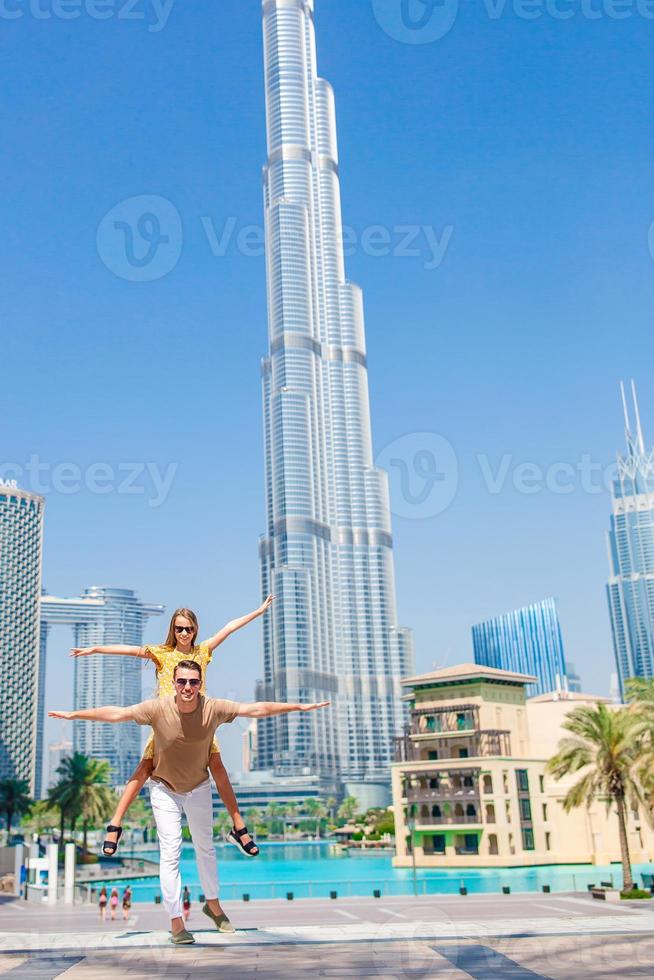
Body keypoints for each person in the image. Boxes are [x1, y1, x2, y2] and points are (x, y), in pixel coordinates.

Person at [49, 660, 329, 945]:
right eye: (182, 681)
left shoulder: (213, 708)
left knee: (205, 849)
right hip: (164, 788)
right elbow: (117, 714)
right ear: (173, 682)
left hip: (198, 788)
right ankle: (176, 923)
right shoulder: (157, 708)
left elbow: (255, 709)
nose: (187, 687)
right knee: (170, 853)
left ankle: (213, 906)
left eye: (193, 682)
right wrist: (74, 715)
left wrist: (299, 707)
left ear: (200, 684)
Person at [71, 597, 274, 859]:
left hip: (198, 722)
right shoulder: (162, 653)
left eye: (188, 629)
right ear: (172, 630)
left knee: (219, 769)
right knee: (144, 768)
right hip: (166, 723)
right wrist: (95, 649)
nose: (183, 633)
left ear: (195, 630)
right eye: (178, 629)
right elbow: (128, 650)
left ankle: (239, 827)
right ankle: (115, 825)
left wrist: (258, 611)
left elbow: (230, 627)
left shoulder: (203, 652)